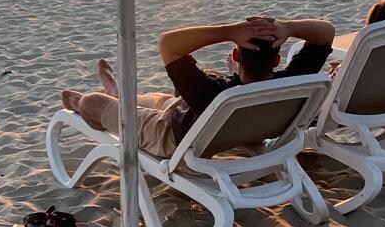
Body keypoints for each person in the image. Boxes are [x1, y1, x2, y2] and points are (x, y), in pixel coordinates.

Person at [61, 14, 335, 158]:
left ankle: (88, 101)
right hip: (232, 125)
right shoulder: (292, 82)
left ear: (236, 55)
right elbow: (326, 32)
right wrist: (287, 27)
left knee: (94, 102)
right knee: (173, 97)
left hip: (173, 136)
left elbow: (167, 43)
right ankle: (118, 94)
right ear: (277, 59)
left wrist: (230, 31)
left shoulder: (215, 94)